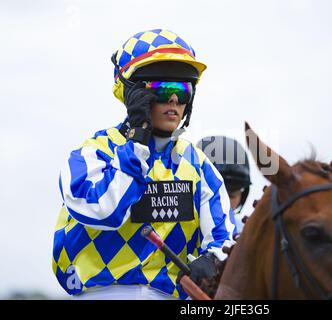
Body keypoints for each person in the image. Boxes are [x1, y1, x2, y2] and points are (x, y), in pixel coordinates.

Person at [52, 29, 237, 300]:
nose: (174, 100)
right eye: (162, 89)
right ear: (132, 95)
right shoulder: (93, 152)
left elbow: (226, 238)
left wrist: (211, 260)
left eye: (183, 90)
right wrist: (137, 142)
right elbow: (104, 212)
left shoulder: (199, 165)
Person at [197, 136, 251, 233]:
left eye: (231, 194)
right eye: (213, 194)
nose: (223, 204)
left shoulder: (249, 237)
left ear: (242, 196)